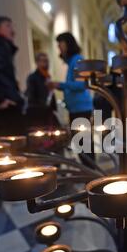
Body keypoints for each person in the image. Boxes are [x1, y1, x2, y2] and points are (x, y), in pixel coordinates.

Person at [50, 32, 94, 165]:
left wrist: (60, 85)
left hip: (81, 109)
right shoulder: (72, 62)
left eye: (60, 45)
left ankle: (92, 172)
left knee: (83, 143)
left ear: (68, 44)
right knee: (81, 143)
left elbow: (81, 85)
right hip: (76, 108)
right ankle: (91, 172)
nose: (59, 48)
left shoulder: (77, 59)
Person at [25, 52, 58, 128]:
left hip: (48, 112)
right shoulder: (33, 77)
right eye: (43, 61)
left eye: (47, 61)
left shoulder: (47, 76)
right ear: (37, 62)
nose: (46, 63)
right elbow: (31, 96)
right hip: (38, 113)